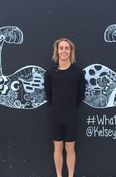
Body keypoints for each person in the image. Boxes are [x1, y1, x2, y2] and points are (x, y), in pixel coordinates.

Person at [44, 38, 85, 177]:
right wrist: (58, 108)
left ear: (71, 51)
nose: (64, 51)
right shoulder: (50, 73)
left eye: (66, 48)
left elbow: (81, 95)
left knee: (70, 147)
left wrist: (70, 108)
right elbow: (49, 96)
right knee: (58, 147)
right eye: (61, 48)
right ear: (57, 51)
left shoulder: (78, 72)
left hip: (71, 116)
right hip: (56, 116)